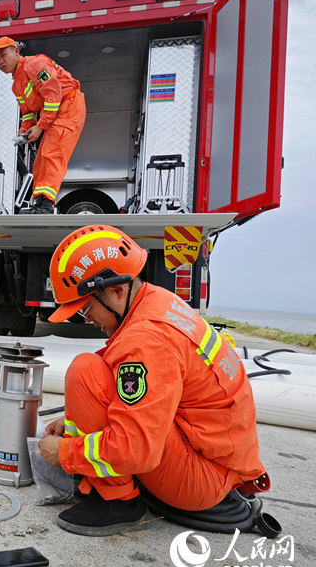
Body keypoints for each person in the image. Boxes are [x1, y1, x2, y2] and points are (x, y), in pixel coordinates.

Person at [38, 224, 267, 536]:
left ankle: (116, 500)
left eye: (85, 309)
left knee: (85, 370)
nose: (87, 320)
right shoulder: (156, 302)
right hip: (217, 463)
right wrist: (73, 420)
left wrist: (64, 453)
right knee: (93, 369)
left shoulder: (146, 339)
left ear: (116, 291)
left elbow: (135, 450)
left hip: (202, 478)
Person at [0, 36, 86, 214]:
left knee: (51, 155)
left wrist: (41, 126)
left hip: (69, 106)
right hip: (56, 113)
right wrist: (24, 131)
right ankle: (39, 203)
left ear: (16, 51)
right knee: (40, 161)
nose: (1, 61)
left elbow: (53, 94)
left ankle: (45, 205)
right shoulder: (16, 86)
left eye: (3, 55)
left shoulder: (35, 64)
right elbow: (29, 112)